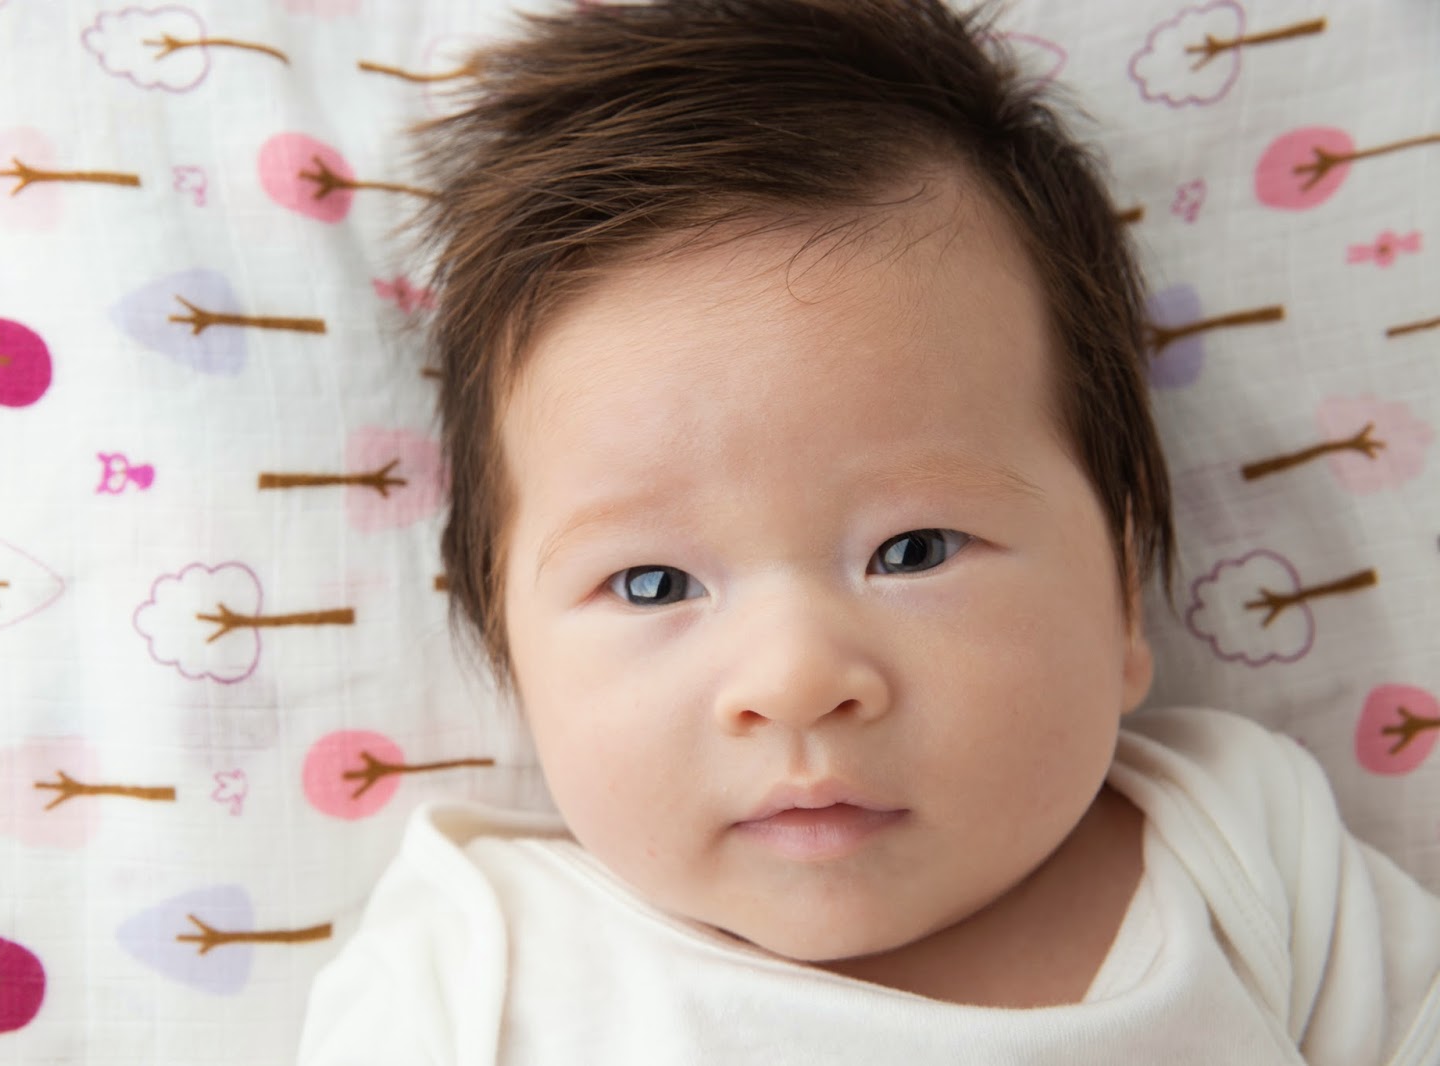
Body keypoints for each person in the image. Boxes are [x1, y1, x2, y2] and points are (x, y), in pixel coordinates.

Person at [299, 1, 1440, 1061]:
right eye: (651, 582)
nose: (796, 681)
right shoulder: (478, 967)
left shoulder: (1239, 846)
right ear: (507, 649)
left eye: (914, 551)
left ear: (1121, 593)